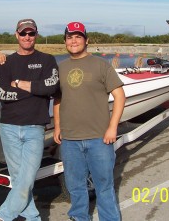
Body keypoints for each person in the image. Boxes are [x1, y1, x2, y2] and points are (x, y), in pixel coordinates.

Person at [53, 21, 126, 221]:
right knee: (75, 186)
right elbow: (57, 99)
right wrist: (58, 126)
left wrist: (112, 127)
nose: (74, 40)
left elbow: (120, 96)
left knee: (104, 186)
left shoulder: (101, 65)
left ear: (86, 40)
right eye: (70, 37)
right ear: (65, 41)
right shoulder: (60, 68)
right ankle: (79, 217)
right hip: (70, 140)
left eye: (78, 36)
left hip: (99, 138)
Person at [0, 18, 59, 221]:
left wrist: (20, 83)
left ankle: (4, 216)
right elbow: (3, 93)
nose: (27, 37)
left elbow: (51, 88)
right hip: (9, 128)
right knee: (19, 179)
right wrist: (35, 89)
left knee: (27, 178)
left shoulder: (48, 60)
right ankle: (33, 218)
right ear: (16, 35)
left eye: (31, 33)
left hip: (35, 128)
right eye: (23, 33)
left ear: (36, 35)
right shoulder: (6, 61)